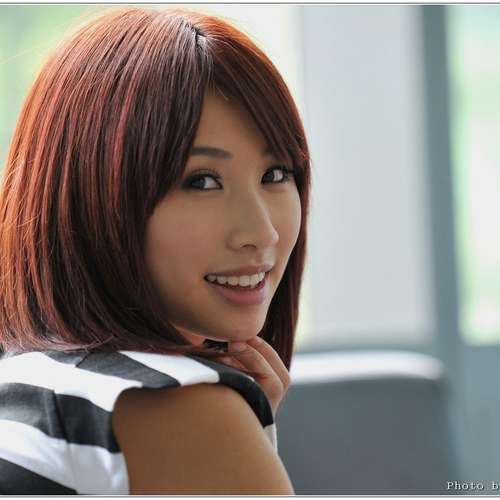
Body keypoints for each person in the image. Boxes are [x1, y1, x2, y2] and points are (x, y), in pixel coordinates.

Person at [0, 6, 311, 495]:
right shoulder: (172, 410)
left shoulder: (29, 387)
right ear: (92, 196)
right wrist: (225, 437)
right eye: (202, 181)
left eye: (275, 174)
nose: (261, 231)